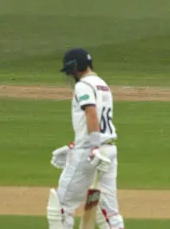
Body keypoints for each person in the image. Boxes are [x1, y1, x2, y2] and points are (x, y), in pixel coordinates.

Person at [46, 48, 124, 229]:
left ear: (75, 67)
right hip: (108, 151)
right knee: (109, 212)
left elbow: (91, 114)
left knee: (61, 207)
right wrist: (74, 146)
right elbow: (93, 121)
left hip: (91, 152)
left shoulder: (83, 86)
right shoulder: (102, 84)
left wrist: (93, 147)